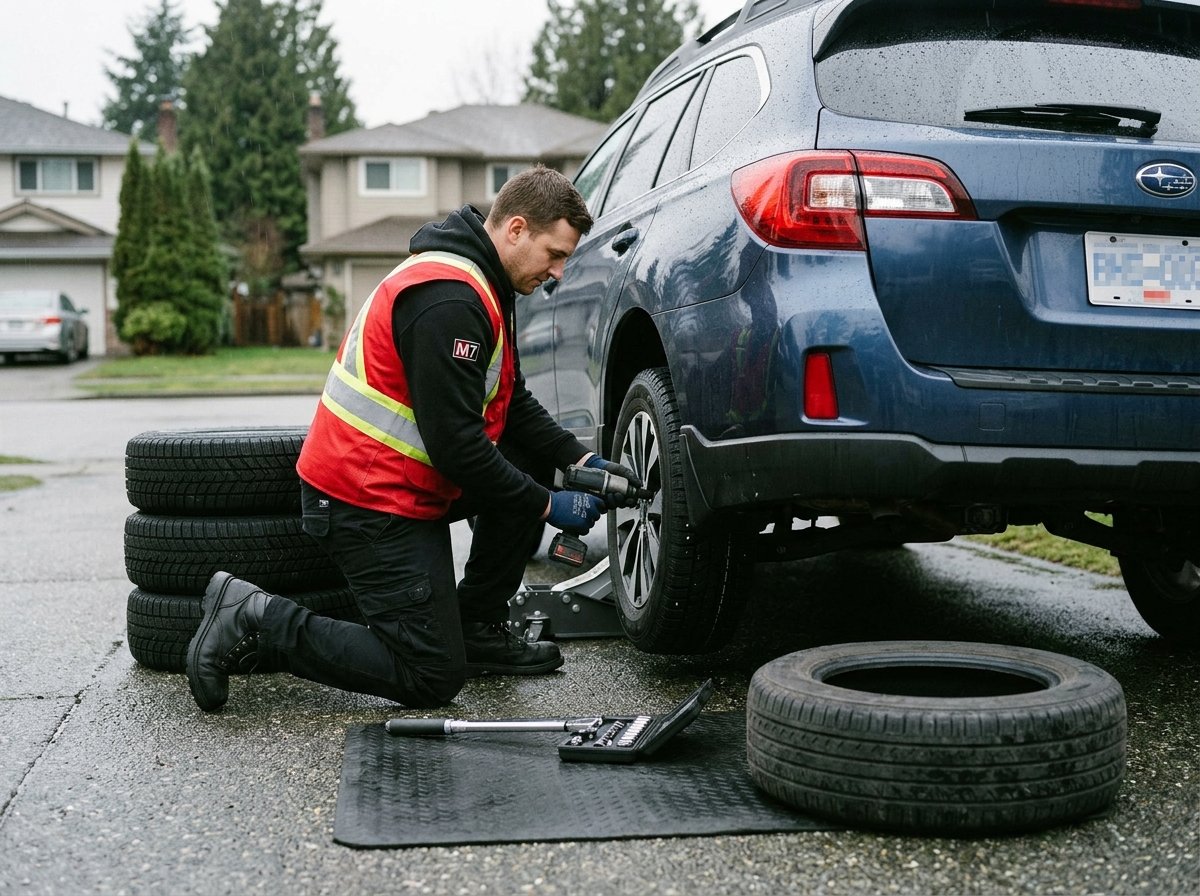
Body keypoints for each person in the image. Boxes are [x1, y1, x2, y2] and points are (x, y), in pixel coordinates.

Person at [186, 166, 640, 712]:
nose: (559, 272)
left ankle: (475, 627)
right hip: (363, 500)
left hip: (404, 486)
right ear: (516, 229)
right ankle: (254, 614)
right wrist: (548, 505)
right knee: (430, 674)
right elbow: (457, 448)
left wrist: (582, 458)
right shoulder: (449, 300)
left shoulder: (486, 283)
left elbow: (509, 399)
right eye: (555, 254)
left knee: (529, 461)